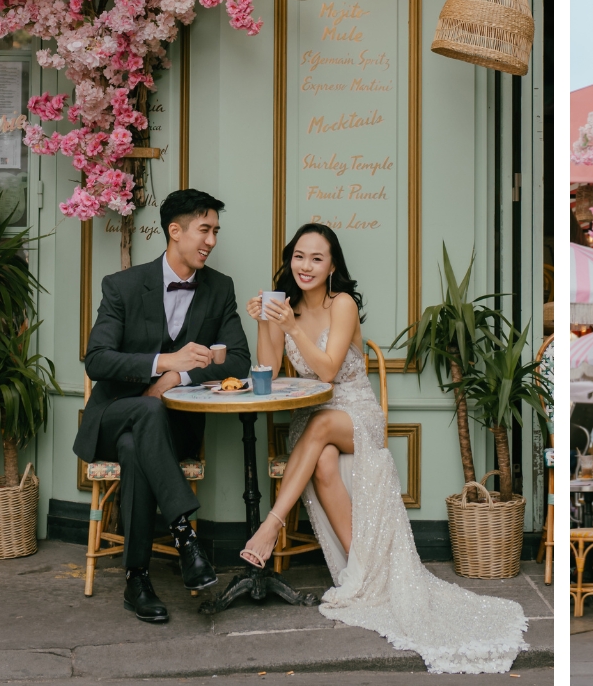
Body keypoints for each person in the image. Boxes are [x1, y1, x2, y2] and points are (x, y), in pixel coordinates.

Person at [240, 224, 528, 674]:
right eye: (299, 256)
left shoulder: (343, 305)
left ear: (333, 265)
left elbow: (329, 372)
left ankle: (269, 526)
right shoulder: (287, 307)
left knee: (321, 428)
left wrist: (293, 328)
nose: (306, 266)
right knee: (324, 457)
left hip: (356, 415)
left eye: (317, 258)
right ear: (288, 259)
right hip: (313, 421)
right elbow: (270, 372)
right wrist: (266, 321)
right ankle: (365, 572)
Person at [75, 189, 251, 623]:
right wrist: (161, 362)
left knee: (143, 438)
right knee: (139, 422)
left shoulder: (220, 288)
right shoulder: (123, 286)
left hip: (172, 429)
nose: (211, 240)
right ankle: (185, 537)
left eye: (215, 231)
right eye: (204, 230)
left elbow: (241, 360)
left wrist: (177, 377)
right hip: (113, 417)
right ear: (175, 232)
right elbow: (96, 359)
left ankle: (137, 579)